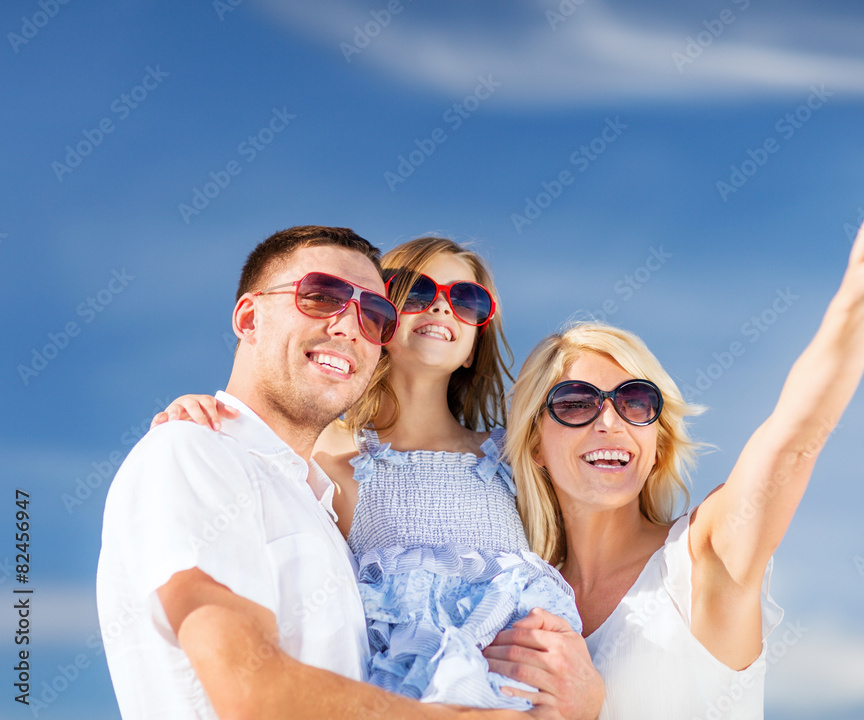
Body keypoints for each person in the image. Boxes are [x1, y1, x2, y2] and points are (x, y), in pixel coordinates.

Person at [484, 155, 864, 719]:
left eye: (636, 402)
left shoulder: (701, 561)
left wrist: (861, 299)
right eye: (577, 403)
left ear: (656, 438)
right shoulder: (510, 596)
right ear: (534, 442)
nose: (610, 421)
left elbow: (794, 439)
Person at [98, 225, 599, 720]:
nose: (346, 325)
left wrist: (592, 697)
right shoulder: (219, 455)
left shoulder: (305, 490)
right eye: (319, 298)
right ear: (249, 317)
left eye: (369, 312)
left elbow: (597, 554)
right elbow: (247, 689)